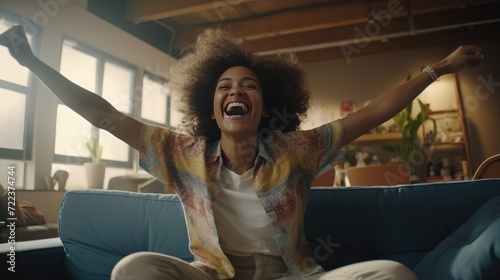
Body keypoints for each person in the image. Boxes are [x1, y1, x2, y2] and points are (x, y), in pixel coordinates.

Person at [1, 25, 483, 280]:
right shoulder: (179, 153)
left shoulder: (299, 149)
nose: (237, 91)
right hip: (210, 275)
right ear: (212, 106)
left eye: (249, 85)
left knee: (393, 273)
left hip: (292, 275)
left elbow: (375, 112)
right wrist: (31, 61)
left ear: (263, 104)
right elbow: (104, 115)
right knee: (133, 269)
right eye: (225, 86)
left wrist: (440, 67)